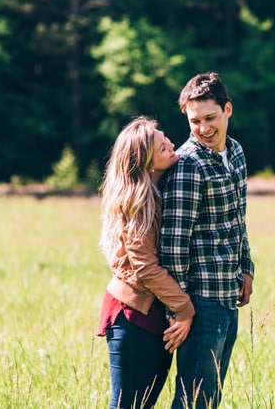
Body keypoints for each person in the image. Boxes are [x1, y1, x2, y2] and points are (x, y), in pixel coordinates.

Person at [159, 72, 255, 409]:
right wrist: (180, 309)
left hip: (230, 293)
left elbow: (237, 220)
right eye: (194, 121)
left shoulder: (237, 153)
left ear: (228, 109)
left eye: (210, 118)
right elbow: (173, 245)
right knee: (194, 401)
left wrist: (247, 268)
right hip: (201, 301)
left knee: (210, 398)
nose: (203, 128)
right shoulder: (188, 165)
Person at [97, 117, 196, 409]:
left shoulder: (158, 191)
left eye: (164, 137)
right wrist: (184, 308)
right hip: (133, 318)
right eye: (160, 144)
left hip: (150, 317)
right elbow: (145, 268)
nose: (169, 143)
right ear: (145, 161)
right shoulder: (138, 203)